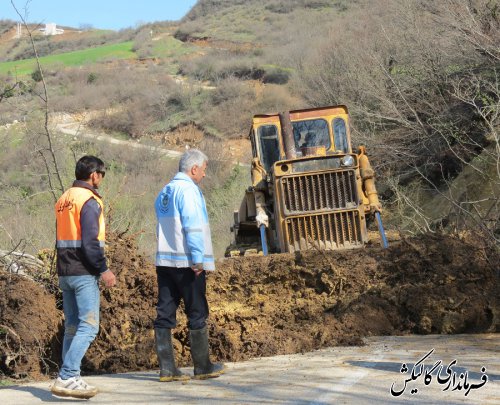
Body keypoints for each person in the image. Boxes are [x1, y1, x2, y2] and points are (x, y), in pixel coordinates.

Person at [154, 148, 224, 381]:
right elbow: (192, 226)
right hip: (187, 263)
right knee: (196, 311)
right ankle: (202, 366)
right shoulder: (189, 191)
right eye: (203, 170)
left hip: (165, 262)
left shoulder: (165, 191)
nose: (204, 175)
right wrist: (198, 259)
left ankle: (167, 369)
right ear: (194, 169)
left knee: (165, 312)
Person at [51, 155, 116, 399]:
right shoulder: (88, 200)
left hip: (64, 271)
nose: (101, 179)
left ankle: (70, 378)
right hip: (83, 272)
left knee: (72, 327)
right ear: (94, 175)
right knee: (89, 327)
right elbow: (90, 243)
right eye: (102, 175)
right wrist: (104, 270)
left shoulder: (64, 198)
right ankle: (68, 375)